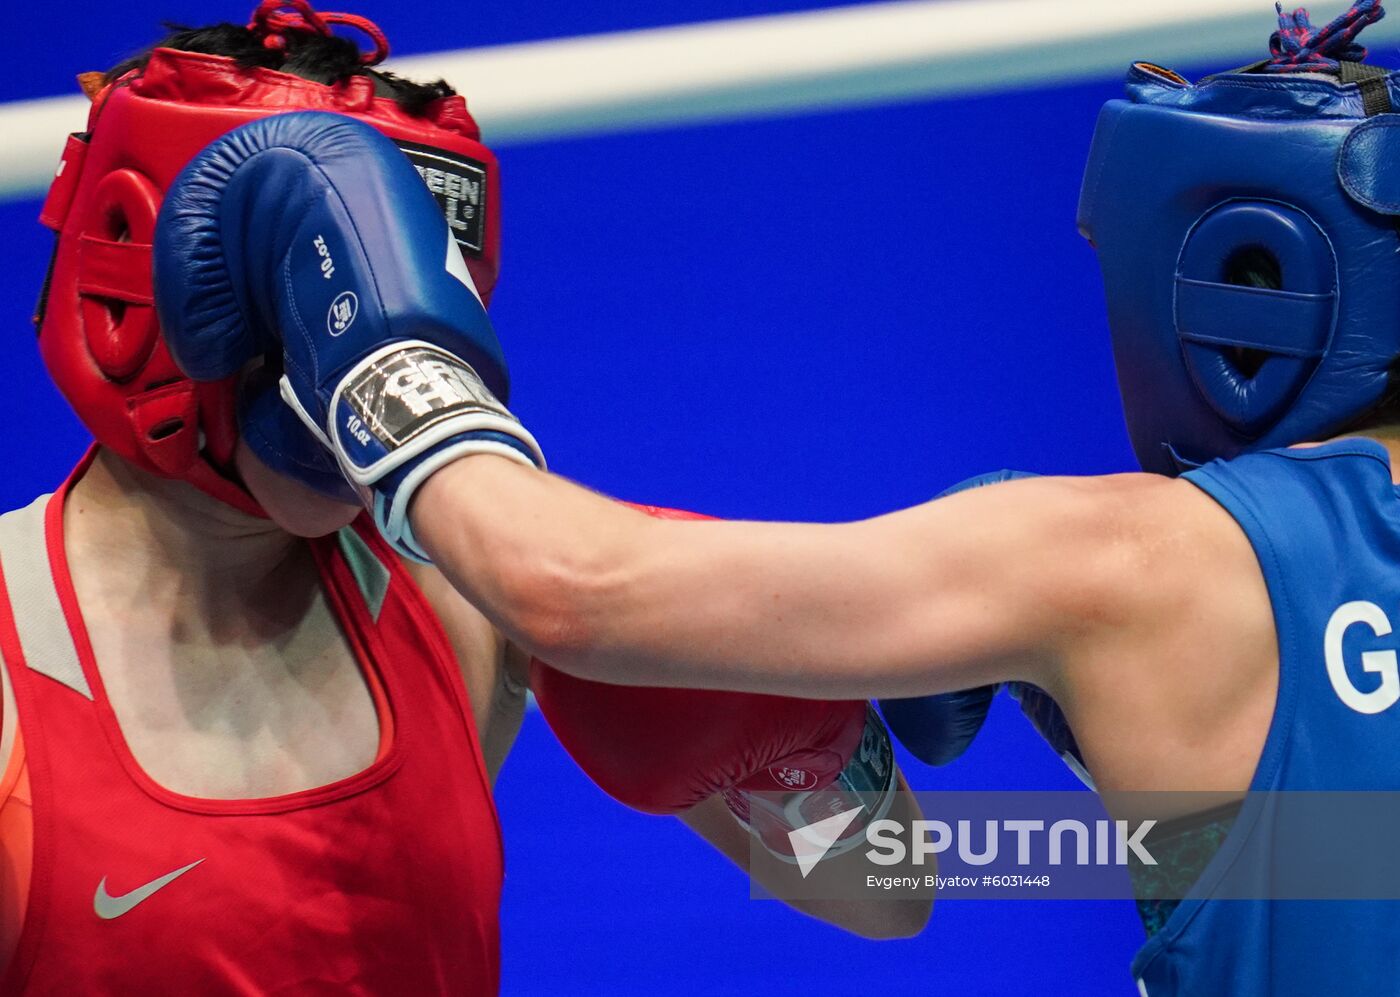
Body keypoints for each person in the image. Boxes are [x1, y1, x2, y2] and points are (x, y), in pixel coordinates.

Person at [173, 1, 1400, 994]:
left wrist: (379, 347)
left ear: (1250, 277)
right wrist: (1182, 822)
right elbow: (952, 874)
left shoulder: (1137, 560)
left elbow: (571, 590)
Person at [0, 2, 930, 991]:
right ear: (147, 271)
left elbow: (888, 887)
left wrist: (805, 763)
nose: (351, 347)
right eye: (319, 281)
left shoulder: (481, 590)